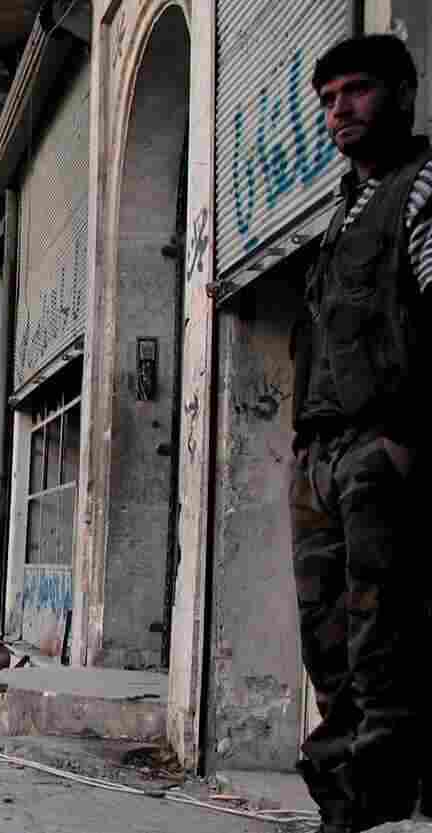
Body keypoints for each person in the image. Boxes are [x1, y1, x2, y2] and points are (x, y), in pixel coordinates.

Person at [290, 33, 432, 833]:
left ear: (403, 94)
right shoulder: (343, 209)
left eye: (356, 91)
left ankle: (387, 807)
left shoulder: (421, 187)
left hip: (382, 444)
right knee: (330, 647)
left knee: (387, 640)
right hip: (324, 454)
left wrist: (404, 435)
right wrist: (306, 454)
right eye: (328, 98)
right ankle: (347, 809)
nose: (338, 110)